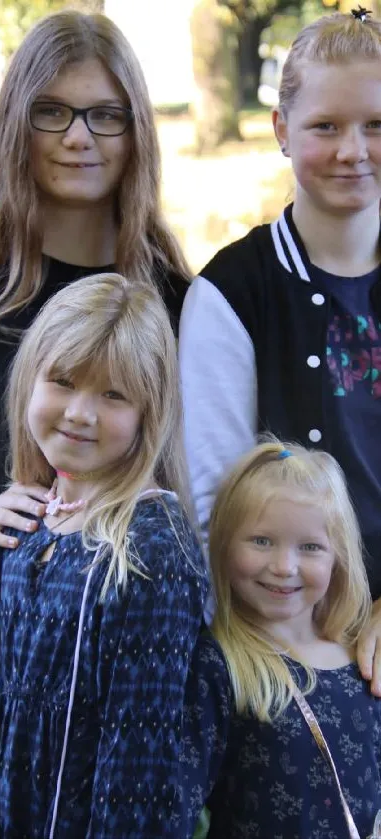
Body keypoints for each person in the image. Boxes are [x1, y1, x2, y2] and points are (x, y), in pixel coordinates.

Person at [0, 9, 190, 705]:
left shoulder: (182, 305)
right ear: (15, 124)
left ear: (136, 134)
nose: (78, 137)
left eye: (106, 115)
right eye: (52, 113)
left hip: (119, 679)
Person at [179, 8, 381, 692]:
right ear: (281, 131)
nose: (353, 150)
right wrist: (323, 638)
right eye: (326, 126)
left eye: (375, 126)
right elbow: (213, 508)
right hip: (278, 652)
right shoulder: (231, 294)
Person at [0, 272, 207, 838]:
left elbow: (141, 756)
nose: (80, 412)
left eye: (113, 394)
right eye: (62, 381)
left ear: (148, 412)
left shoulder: (152, 548)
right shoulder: (30, 517)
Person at [179, 439, 381, 839]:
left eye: (310, 547)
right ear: (223, 544)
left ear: (337, 558)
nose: (284, 566)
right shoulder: (216, 665)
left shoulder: (363, 658)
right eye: (262, 541)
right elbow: (177, 806)